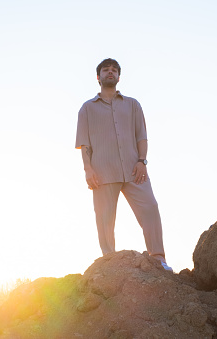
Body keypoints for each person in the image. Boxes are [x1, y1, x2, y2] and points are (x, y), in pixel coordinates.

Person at [75, 58, 172, 271]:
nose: (110, 72)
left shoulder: (133, 105)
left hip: (133, 169)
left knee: (151, 208)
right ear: (98, 77)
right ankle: (110, 263)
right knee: (105, 220)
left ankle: (158, 258)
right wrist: (88, 169)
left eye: (114, 70)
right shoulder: (86, 109)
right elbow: (84, 144)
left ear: (119, 76)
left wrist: (142, 161)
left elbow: (142, 136)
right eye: (106, 70)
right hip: (102, 172)